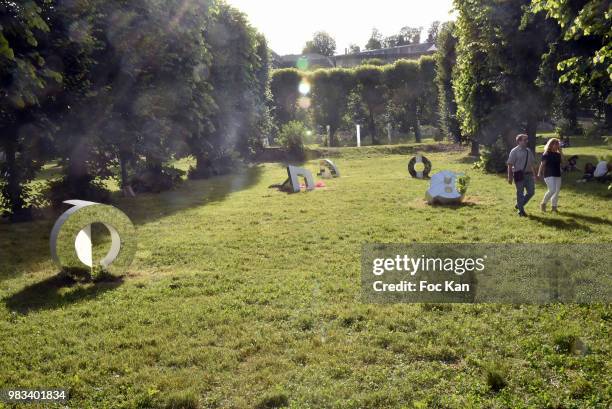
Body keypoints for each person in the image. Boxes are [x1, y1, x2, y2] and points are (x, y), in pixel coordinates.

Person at [507, 134, 538, 217]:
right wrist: (509, 177)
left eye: (527, 140)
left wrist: (535, 175)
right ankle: (521, 211)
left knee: (531, 192)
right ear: (519, 141)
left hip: (529, 175)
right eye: (524, 140)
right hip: (518, 174)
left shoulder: (528, 151)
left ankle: (519, 205)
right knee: (520, 193)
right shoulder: (514, 151)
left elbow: (532, 164)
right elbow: (510, 164)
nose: (526, 141)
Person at [537, 138, 563, 212]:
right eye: (554, 144)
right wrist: (539, 174)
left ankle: (554, 208)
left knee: (556, 191)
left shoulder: (558, 154)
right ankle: (543, 203)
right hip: (548, 174)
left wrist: (561, 151)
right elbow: (542, 165)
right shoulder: (546, 154)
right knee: (552, 190)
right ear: (550, 145)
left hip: (557, 174)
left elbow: (563, 162)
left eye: (557, 144)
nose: (556, 145)